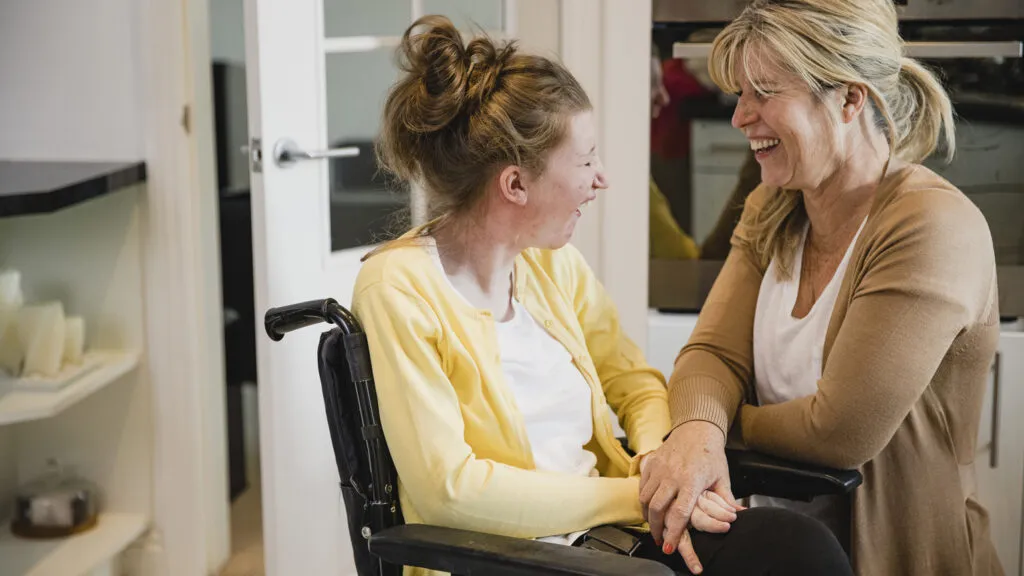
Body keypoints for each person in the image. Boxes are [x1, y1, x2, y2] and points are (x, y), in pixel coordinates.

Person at [351, 15, 852, 576]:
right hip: (501, 560)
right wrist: (639, 494)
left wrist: (662, 463)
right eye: (586, 159)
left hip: (610, 544)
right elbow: (451, 490)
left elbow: (634, 383)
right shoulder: (399, 289)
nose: (602, 179)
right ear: (515, 185)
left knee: (796, 549)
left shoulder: (552, 265)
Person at [639, 1, 1002, 575]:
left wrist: (708, 428)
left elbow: (838, 432)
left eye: (763, 91)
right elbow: (710, 354)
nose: (739, 116)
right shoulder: (775, 205)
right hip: (777, 554)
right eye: (740, 93)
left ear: (849, 98)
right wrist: (700, 427)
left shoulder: (929, 226)